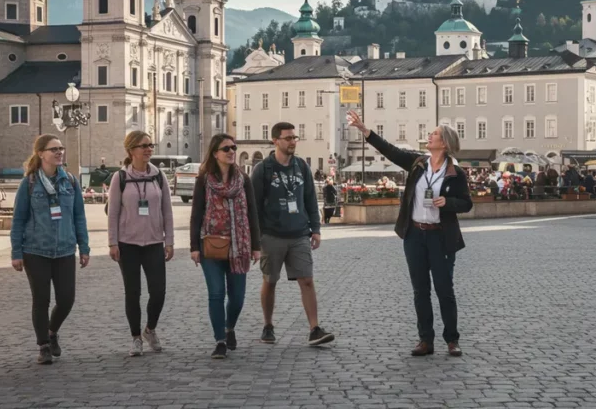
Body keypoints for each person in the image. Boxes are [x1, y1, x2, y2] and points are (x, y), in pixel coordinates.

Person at [348, 110, 472, 356]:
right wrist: (366, 131)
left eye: (434, 134)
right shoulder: (417, 163)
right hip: (415, 235)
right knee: (420, 290)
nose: (430, 136)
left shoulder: (456, 173)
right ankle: (425, 339)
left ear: (444, 143)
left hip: (440, 237)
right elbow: (391, 151)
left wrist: (448, 202)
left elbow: (466, 203)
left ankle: (452, 339)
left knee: (444, 289)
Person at [250, 122, 335, 346]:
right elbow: (253, 206)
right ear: (275, 141)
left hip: (299, 234)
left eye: (294, 137)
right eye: (287, 138)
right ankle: (268, 325)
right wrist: (255, 239)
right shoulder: (263, 169)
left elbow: (309, 198)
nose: (292, 142)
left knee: (307, 280)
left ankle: (314, 328)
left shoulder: (301, 166)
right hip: (271, 235)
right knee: (270, 281)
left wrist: (315, 229)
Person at [10, 134, 90, 364]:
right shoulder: (30, 183)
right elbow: (18, 220)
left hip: (65, 249)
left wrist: (84, 247)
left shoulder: (71, 181)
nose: (59, 152)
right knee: (41, 299)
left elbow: (79, 217)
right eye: (53, 149)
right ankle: (43, 345)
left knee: (66, 299)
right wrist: (16, 253)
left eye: (61, 148)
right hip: (36, 250)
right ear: (41, 154)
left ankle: (52, 331)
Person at [189, 134, 261, 360]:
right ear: (215, 153)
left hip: (240, 246)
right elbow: (196, 214)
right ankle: (219, 340)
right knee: (216, 293)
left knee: (237, 297)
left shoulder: (244, 180)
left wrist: (256, 245)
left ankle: (230, 328)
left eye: (233, 147)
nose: (231, 151)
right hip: (211, 244)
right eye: (226, 148)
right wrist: (194, 246)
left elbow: (252, 213)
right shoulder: (204, 180)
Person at [107, 131, 175, 356]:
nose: (148, 149)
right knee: (132, 292)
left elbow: (167, 210)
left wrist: (170, 241)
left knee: (159, 292)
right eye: (143, 146)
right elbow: (113, 212)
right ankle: (135, 336)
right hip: (127, 243)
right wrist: (112, 243)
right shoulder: (120, 177)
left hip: (154, 241)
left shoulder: (158, 176)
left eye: (150, 145)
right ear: (131, 150)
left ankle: (150, 329)